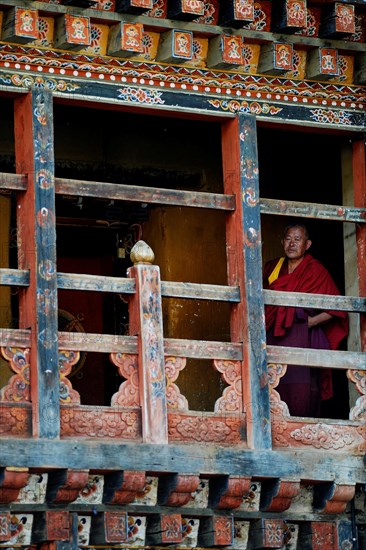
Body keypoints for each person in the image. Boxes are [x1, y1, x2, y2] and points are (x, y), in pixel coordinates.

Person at [263, 223, 349, 417]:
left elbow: (337, 310)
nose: (291, 244)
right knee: (274, 382)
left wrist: (310, 323)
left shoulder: (315, 270)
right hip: (274, 334)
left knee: (303, 387)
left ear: (307, 244)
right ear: (282, 242)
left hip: (304, 336)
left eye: (297, 239)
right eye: (288, 239)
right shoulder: (272, 267)